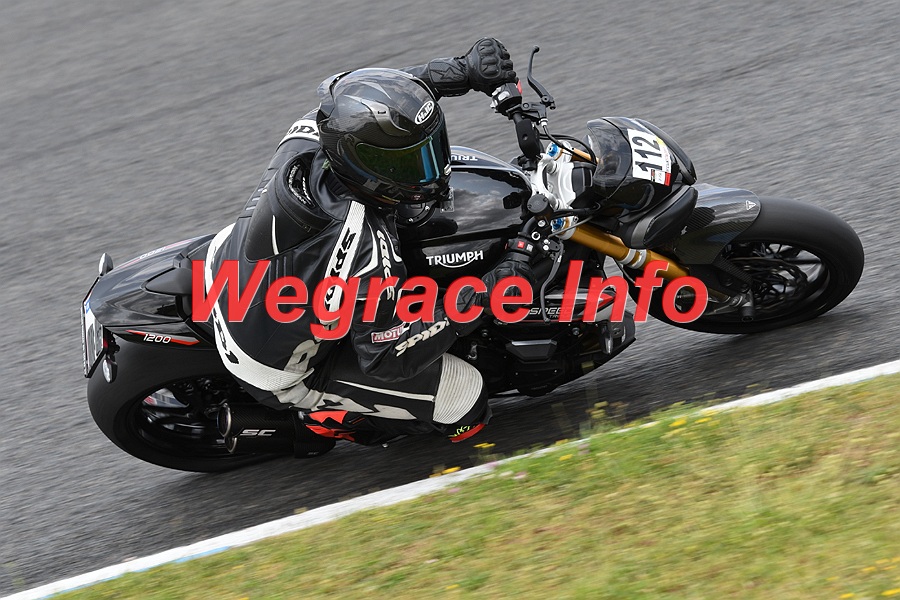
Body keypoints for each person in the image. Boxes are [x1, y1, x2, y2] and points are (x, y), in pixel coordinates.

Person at [205, 38, 537, 449]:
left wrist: (460, 71)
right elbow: (386, 356)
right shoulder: (363, 247)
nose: (431, 167)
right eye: (409, 162)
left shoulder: (319, 131)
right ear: (368, 167)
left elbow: (375, 102)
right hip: (274, 364)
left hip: (224, 261)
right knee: (463, 396)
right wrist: (485, 295)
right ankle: (326, 422)